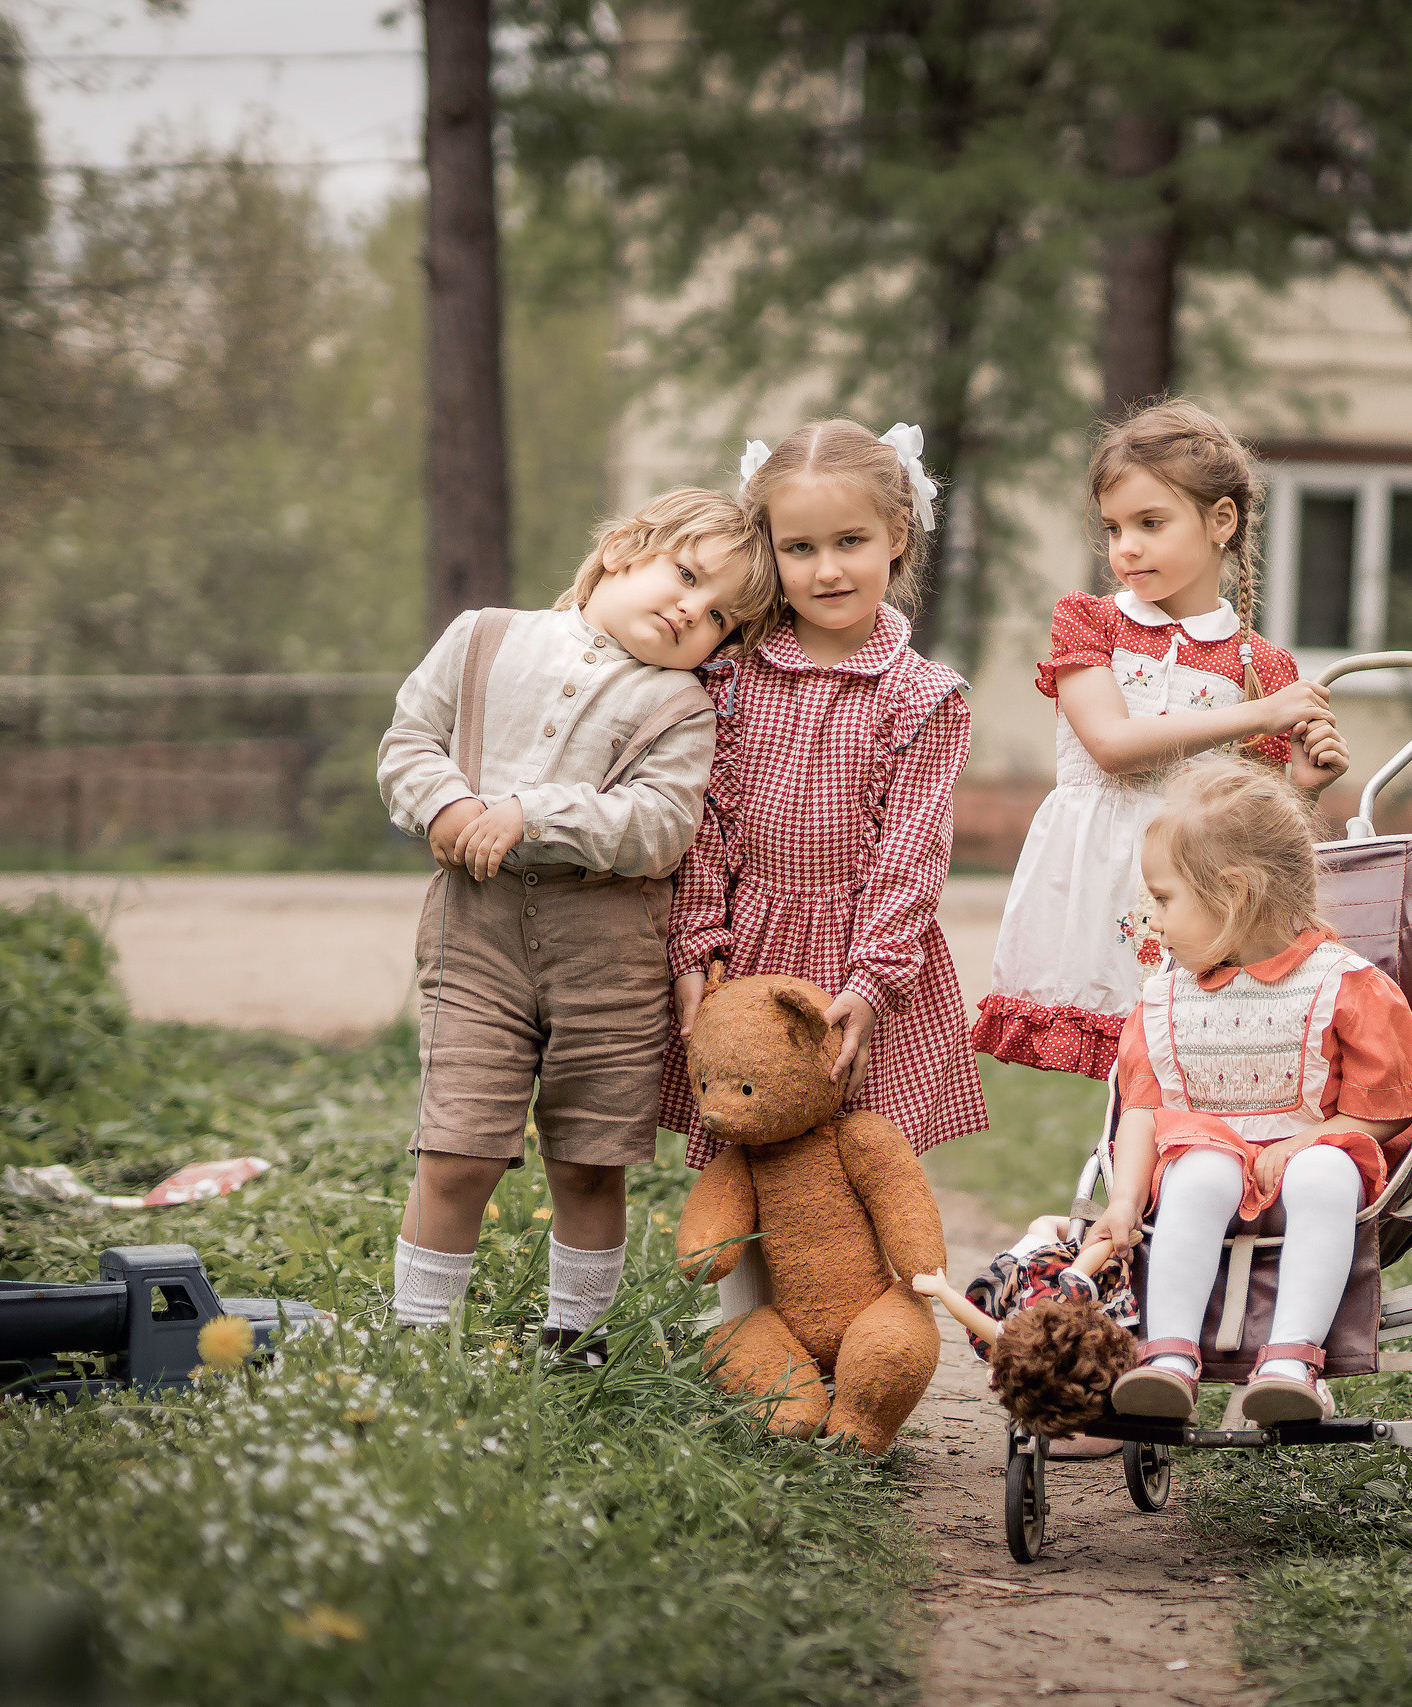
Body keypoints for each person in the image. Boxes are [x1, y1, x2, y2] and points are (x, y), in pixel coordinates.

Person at [377, 488, 775, 1351]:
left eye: (718, 617)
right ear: (625, 548)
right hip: (473, 933)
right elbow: (409, 742)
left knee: (591, 1158)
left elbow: (661, 825)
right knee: (458, 1148)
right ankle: (417, 1333)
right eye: (685, 574)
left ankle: (577, 1338)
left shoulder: (683, 709)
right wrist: (446, 807)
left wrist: (532, 812)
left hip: (611, 952)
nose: (688, 610)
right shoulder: (483, 636)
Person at [969, 398, 1350, 1081]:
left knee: (1184, 1066)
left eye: (1151, 522)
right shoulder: (1090, 621)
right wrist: (1259, 718)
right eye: (1114, 527)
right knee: (1129, 1079)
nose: (1127, 547)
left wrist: (1300, 785)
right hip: (1099, 876)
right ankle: (1127, 1183)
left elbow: (1255, 823)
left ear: (1220, 522)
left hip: (1194, 887)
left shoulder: (1260, 667)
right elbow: (1112, 744)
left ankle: (1169, 1183)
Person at [662, 420, 986, 1183]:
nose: (827, 570)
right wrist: (696, 951)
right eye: (799, 548)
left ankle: (874, 1303)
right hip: (750, 956)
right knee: (747, 1152)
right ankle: (744, 1307)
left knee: (857, 1168)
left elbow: (913, 855)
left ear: (896, 533)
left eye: (850, 541)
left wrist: (870, 984)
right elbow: (705, 831)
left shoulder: (920, 697)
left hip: (861, 960)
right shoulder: (730, 680)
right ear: (768, 549)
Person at [1084, 757, 1412, 1426]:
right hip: (1209, 1172)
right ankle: (1170, 1357)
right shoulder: (1163, 1001)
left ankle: (1290, 1361)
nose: (1149, 919)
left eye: (1163, 898)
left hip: (1308, 1170)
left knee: (1328, 1168)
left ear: (1233, 893)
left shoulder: (1343, 985)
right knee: (1194, 1168)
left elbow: (1383, 1108)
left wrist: (1317, 1136)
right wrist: (1124, 1200)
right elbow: (1144, 1112)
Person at [909, 1219, 1138, 1439]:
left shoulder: (1015, 1340)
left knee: (1043, 1225)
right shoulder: (1070, 1296)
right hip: (1041, 1271)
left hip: (1028, 1278)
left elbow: (970, 1316)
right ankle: (1089, 1225)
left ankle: (1087, 1225)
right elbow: (1084, 1265)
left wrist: (942, 1290)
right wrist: (1115, 1241)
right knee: (1044, 1226)